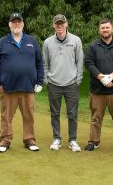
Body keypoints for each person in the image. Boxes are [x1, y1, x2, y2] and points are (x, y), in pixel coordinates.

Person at [0, 12, 44, 153]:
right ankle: (5, 140)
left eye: (18, 22)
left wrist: (39, 81)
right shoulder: (2, 42)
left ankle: (29, 139)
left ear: (23, 24)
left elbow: (39, 62)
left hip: (28, 87)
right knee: (6, 116)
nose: (16, 24)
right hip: (8, 88)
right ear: (9, 25)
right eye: (13, 22)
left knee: (29, 116)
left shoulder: (31, 41)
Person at [84, 18, 113, 154]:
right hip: (97, 90)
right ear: (99, 30)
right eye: (102, 28)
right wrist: (102, 78)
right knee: (96, 118)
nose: (105, 30)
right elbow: (90, 64)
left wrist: (111, 76)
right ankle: (93, 141)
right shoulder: (93, 47)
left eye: (107, 27)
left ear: (112, 29)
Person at [42, 14, 83, 152]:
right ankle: (57, 139)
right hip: (54, 83)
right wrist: (46, 80)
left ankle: (72, 140)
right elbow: (45, 64)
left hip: (71, 83)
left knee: (72, 113)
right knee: (55, 113)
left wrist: (78, 80)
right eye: (57, 24)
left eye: (62, 23)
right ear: (54, 25)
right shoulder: (48, 42)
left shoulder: (76, 40)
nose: (59, 26)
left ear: (66, 24)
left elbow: (80, 62)